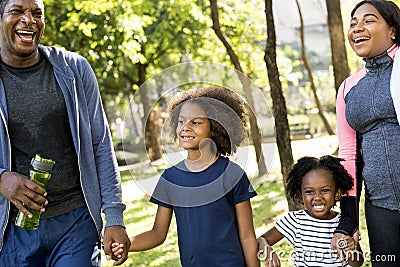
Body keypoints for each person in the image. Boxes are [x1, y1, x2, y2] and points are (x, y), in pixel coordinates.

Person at [0, 0, 130, 266]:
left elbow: (100, 143)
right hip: (13, 229)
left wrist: (114, 217)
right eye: (17, 11)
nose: (29, 19)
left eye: (37, 13)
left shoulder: (74, 69)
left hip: (76, 222)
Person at [111, 86, 260, 266]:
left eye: (195, 122)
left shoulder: (233, 175)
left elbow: (247, 236)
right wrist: (126, 244)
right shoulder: (170, 178)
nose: (186, 128)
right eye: (181, 121)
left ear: (215, 128)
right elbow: (157, 234)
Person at [335, 0, 400, 265]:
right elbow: (348, 154)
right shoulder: (348, 88)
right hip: (381, 209)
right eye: (353, 23)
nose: (357, 28)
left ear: (393, 31)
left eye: (369, 20)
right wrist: (348, 219)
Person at [257, 156, 363, 267]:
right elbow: (261, 239)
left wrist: (352, 250)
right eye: (309, 191)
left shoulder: (345, 223)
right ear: (300, 195)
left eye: (325, 190)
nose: (317, 197)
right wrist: (265, 246)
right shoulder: (295, 221)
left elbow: (357, 263)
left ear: (337, 193)